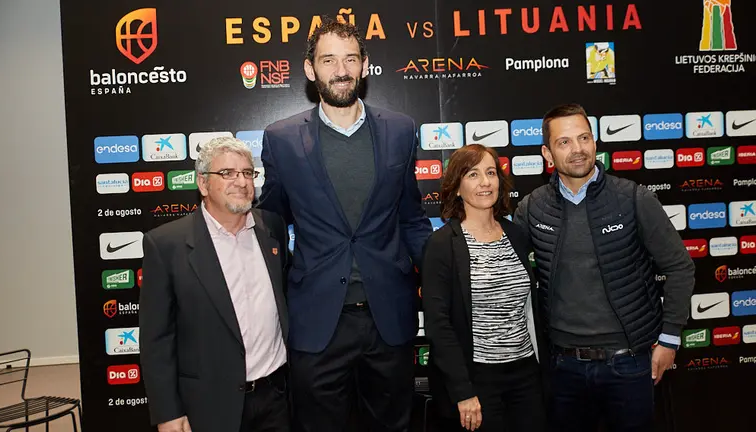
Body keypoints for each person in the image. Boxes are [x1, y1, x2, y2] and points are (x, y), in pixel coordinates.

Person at [258, 17, 432, 432]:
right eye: (329, 60)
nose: (341, 70)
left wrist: (448, 274)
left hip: (388, 316)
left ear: (365, 65)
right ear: (310, 69)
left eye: (351, 59)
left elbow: (412, 218)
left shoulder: (400, 130)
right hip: (316, 320)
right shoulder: (281, 138)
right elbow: (271, 222)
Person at [513, 103, 695, 432]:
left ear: (595, 142)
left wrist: (669, 340)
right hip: (563, 367)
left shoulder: (633, 198)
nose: (577, 149)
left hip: (629, 363)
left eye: (584, 138)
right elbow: (511, 273)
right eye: (564, 142)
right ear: (547, 153)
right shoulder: (532, 207)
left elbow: (679, 267)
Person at [139, 137, 291, 432]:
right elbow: (156, 339)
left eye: (247, 173)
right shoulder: (166, 245)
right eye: (227, 173)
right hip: (209, 404)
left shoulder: (272, 228)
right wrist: (168, 412)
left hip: (276, 397)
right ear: (203, 184)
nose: (241, 182)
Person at [421, 144, 546, 432]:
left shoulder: (517, 235)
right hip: (478, 381)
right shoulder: (442, 245)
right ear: (457, 186)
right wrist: (463, 391)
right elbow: (439, 325)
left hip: (527, 374)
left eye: (490, 173)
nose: (485, 182)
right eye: (473, 174)